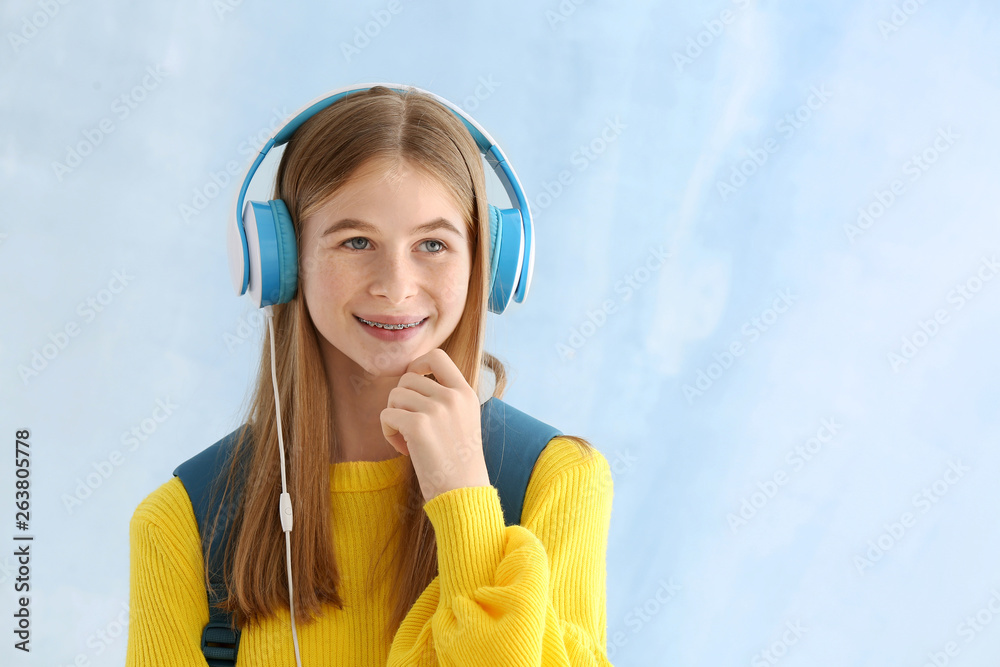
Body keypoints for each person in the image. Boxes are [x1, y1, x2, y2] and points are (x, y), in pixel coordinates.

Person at [126, 84, 614, 666]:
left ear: (485, 263)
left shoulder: (554, 483)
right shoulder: (185, 525)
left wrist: (464, 500)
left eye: (433, 243)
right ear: (282, 260)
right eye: (356, 241)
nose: (396, 285)